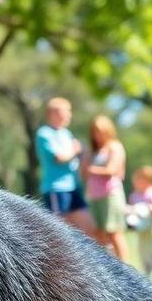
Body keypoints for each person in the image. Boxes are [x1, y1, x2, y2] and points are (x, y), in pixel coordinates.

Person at [35, 97, 96, 237]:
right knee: (60, 235)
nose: (70, 114)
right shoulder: (44, 133)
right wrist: (75, 150)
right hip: (57, 190)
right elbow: (59, 158)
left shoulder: (66, 133)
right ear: (54, 113)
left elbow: (75, 157)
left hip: (73, 188)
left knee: (88, 229)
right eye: (67, 111)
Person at [83, 115, 129, 260]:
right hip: (95, 196)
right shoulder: (94, 151)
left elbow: (112, 170)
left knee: (114, 233)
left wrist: (91, 169)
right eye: (95, 132)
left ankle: (127, 270)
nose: (97, 135)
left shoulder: (115, 146)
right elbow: (83, 171)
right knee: (98, 234)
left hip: (110, 195)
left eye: (100, 131)